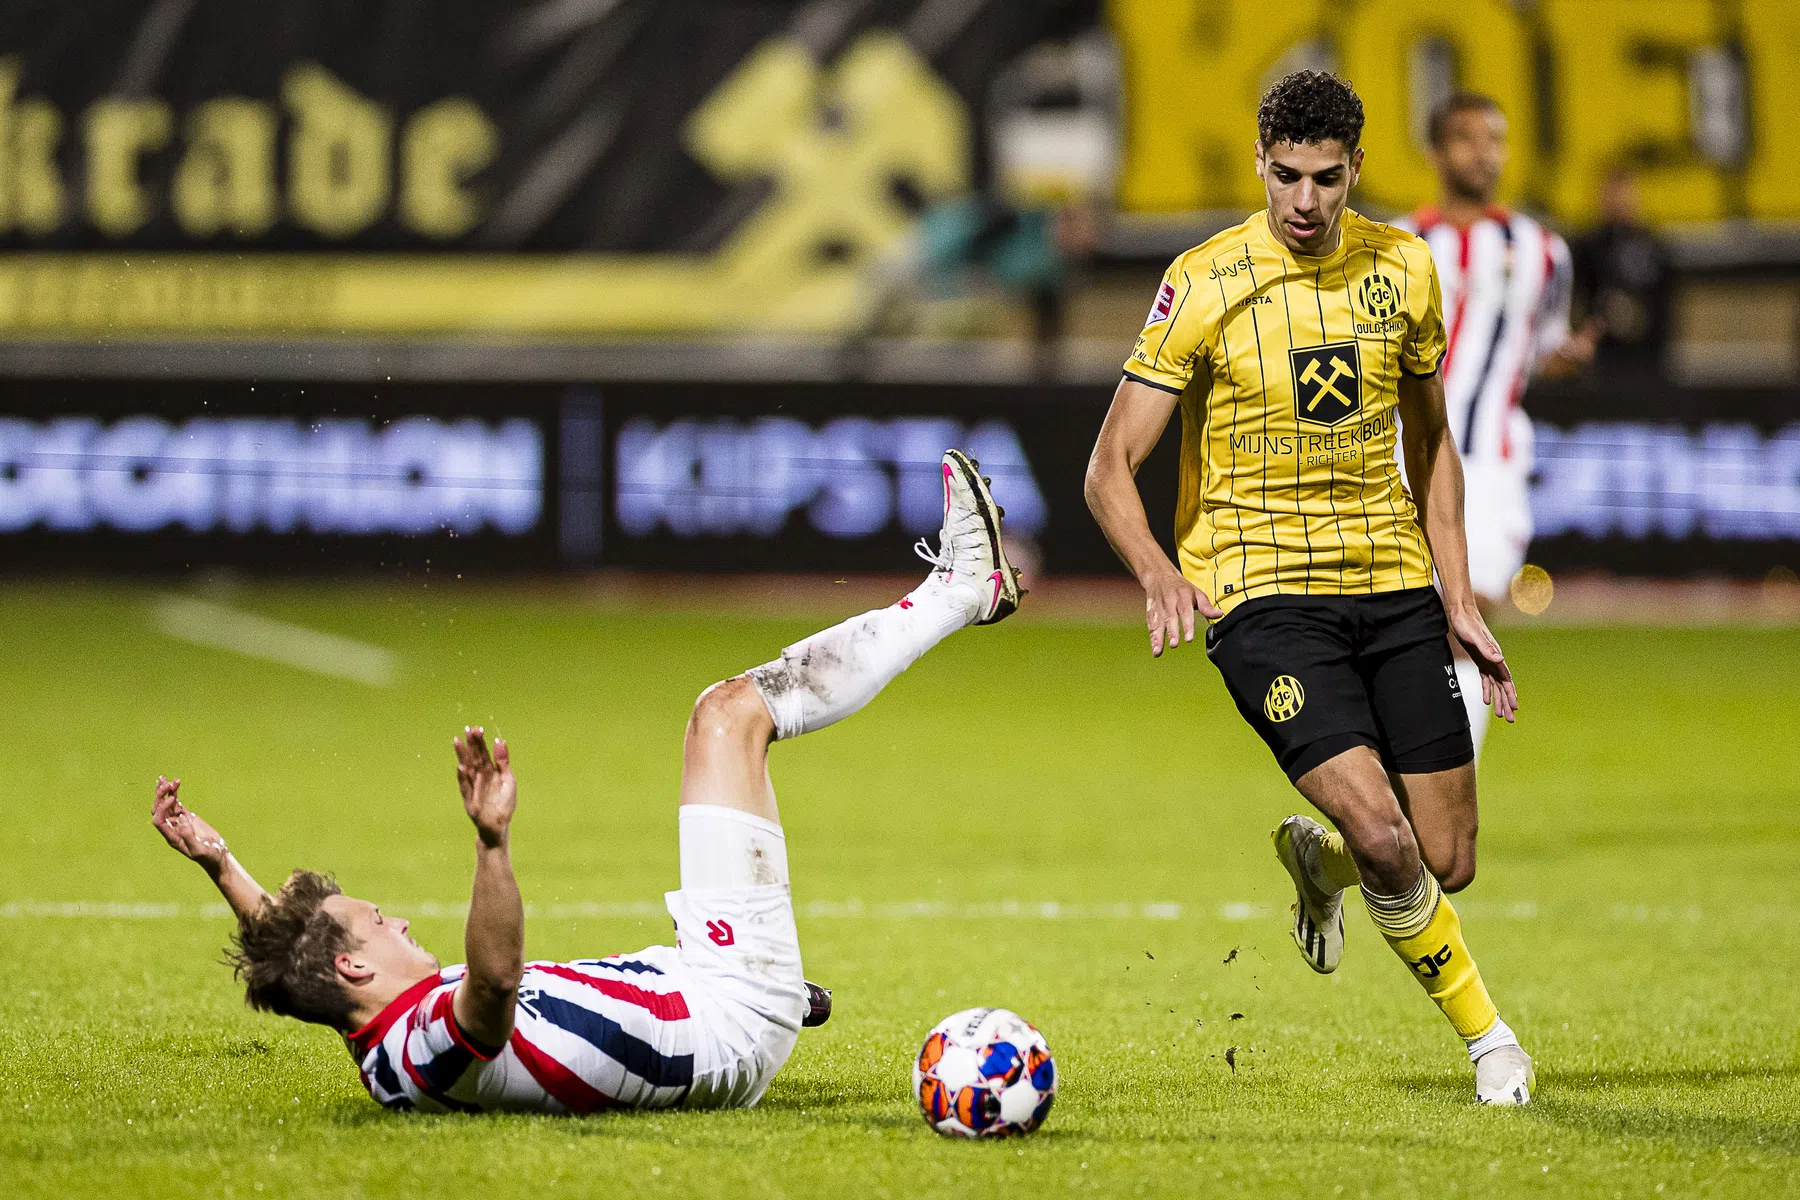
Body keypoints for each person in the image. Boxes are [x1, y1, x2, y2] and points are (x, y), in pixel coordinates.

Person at [150, 450, 1023, 1115]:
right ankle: (958, 589)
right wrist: (491, 844)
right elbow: (491, 991)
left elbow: (293, 953)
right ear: (353, 963)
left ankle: (783, 989)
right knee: (727, 717)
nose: (399, 919)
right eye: (378, 922)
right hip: (724, 1012)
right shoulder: (424, 1045)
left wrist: (221, 864)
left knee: (723, 719)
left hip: (693, 986)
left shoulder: (379, 1038)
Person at [1084, 70, 1533, 1104]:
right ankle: (1491, 1043)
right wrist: (1158, 571)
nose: (1303, 201)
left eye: (1326, 179)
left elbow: (1436, 447)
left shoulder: (1404, 271)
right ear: (1259, 164)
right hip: (1260, 596)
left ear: (1356, 171)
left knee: (1444, 859)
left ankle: (1323, 869)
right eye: (1285, 175)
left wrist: (1459, 600)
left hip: (1392, 580)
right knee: (1390, 839)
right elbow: (1111, 467)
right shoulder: (1204, 282)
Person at [1398, 91, 1597, 761]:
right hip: (1398, 456)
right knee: (1396, 622)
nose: (1484, 152)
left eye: (1496, 139)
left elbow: (1541, 343)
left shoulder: (1544, 251)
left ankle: (1446, 781)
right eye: (1466, 138)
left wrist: (1563, 357)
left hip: (1488, 462)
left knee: (1469, 611)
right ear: (1435, 152)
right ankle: (1410, 789)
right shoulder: (1397, 243)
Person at [1570, 164, 1673, 381]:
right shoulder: (1588, 247)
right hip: (1599, 366)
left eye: (1623, 192)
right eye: (1611, 193)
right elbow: (1575, 302)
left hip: (1644, 366)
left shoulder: (1652, 245)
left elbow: (1666, 311)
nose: (1617, 200)